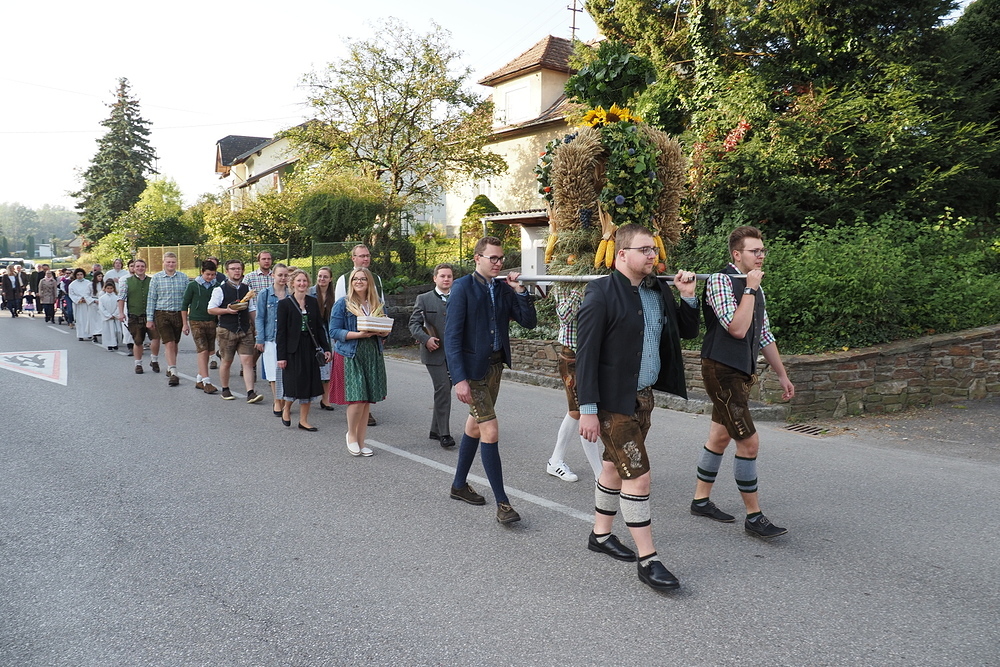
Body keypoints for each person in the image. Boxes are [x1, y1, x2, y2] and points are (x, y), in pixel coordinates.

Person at [576, 223, 700, 591]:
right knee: (638, 475)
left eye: (654, 249)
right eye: (644, 249)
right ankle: (649, 560)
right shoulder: (600, 293)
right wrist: (587, 409)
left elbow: (685, 332)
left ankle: (600, 536)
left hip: (644, 397)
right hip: (613, 402)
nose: (652, 255)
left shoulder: (657, 290)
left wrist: (688, 296)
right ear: (622, 254)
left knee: (613, 466)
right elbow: (586, 355)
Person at [691, 225, 795, 539]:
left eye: (763, 250)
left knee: (719, 436)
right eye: (754, 251)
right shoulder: (720, 280)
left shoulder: (755, 286)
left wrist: (782, 374)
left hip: (742, 371)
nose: (761, 255)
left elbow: (763, 334)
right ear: (737, 254)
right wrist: (749, 289)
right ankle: (754, 517)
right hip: (721, 369)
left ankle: (700, 500)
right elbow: (736, 329)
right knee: (749, 443)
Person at [444, 236, 537, 524]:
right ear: (477, 258)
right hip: (473, 372)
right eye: (492, 258)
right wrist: (459, 379)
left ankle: (459, 485)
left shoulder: (503, 288)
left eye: (501, 258)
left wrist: (520, 291)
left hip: (495, 367)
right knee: (490, 430)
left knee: (475, 425)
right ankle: (503, 503)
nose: (498, 263)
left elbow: (529, 322)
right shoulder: (462, 287)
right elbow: (452, 337)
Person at [544, 283, 605, 483]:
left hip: (593, 354)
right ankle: (599, 474)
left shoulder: (599, 284)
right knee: (582, 410)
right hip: (572, 356)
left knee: (581, 411)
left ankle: (555, 461)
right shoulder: (564, 284)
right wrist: (579, 289)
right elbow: (564, 315)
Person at [329, 267, 388, 453]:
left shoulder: (377, 303)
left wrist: (383, 332)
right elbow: (334, 331)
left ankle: (362, 442)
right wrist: (359, 334)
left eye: (363, 279)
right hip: (350, 354)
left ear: (369, 282)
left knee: (366, 400)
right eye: (355, 279)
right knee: (357, 398)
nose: (359, 282)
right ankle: (351, 435)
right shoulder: (343, 303)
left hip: (372, 354)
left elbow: (384, 329)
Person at [335, 244, 385, 427]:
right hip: (353, 343)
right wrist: (357, 333)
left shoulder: (376, 279)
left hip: (372, 342)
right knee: (356, 386)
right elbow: (340, 310)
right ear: (353, 258)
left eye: (367, 256)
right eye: (361, 256)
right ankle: (354, 426)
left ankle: (365, 413)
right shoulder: (343, 279)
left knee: (368, 384)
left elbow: (381, 307)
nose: (365, 259)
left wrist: (381, 331)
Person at [408, 263, 456, 448]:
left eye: (449, 276)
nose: (446, 279)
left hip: (455, 354)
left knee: (444, 391)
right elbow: (413, 325)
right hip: (434, 353)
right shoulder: (424, 299)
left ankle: (435, 430)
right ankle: (445, 434)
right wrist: (425, 339)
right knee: (443, 388)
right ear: (435, 278)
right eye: (442, 276)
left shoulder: (459, 297)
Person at [277, 269, 331, 430]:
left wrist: (326, 348)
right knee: (294, 383)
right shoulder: (284, 304)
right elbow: (281, 333)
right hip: (293, 349)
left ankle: (303, 420)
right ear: (292, 283)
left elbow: (319, 328)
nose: (302, 284)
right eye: (299, 281)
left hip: (310, 347)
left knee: (309, 384)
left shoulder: (313, 302)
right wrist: (281, 357)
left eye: (305, 281)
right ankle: (286, 408)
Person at [207, 259, 263, 404]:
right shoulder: (220, 289)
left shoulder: (247, 288)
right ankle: (225, 389)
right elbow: (211, 309)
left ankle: (250, 392)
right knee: (227, 361)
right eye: (233, 269)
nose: (236, 271)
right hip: (227, 330)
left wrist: (257, 328)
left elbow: (251, 309)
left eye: (239, 268)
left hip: (245, 329)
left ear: (242, 271)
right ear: (227, 271)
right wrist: (227, 310)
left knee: (247, 361)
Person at [146, 252, 188, 386]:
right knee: (169, 342)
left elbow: (187, 299)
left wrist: (186, 320)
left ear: (176, 263)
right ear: (163, 263)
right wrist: (149, 319)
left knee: (175, 343)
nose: (171, 264)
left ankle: (170, 366)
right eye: (168, 262)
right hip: (162, 313)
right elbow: (151, 299)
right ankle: (174, 372)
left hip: (178, 313)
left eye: (173, 262)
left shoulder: (183, 277)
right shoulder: (156, 278)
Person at [256, 263, 291, 417]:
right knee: (272, 371)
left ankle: (285, 399)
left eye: (285, 275)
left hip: (288, 338)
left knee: (286, 370)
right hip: (270, 337)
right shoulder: (265, 294)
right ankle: (277, 400)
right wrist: (260, 339)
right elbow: (260, 317)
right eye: (280, 275)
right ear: (273, 275)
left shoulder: (291, 294)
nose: (283, 278)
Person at [181, 260, 220, 394]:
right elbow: (184, 304)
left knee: (209, 350)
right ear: (202, 272)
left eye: (213, 275)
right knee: (202, 350)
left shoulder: (217, 286)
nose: (210, 277)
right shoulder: (193, 286)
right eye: (207, 274)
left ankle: (199, 379)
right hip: (196, 321)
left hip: (211, 321)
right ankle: (207, 382)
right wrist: (185, 324)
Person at [118, 258, 161, 374]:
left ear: (145, 268)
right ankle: (138, 364)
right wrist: (121, 313)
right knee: (138, 341)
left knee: (156, 338)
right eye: (137, 266)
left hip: (151, 315)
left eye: (142, 266)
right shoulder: (127, 281)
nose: (140, 268)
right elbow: (121, 298)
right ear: (133, 268)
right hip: (135, 315)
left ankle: (154, 360)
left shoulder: (152, 281)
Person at [308, 266, 337, 411]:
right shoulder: (310, 293)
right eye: (320, 276)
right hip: (313, 333)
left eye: (325, 276)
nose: (322, 279)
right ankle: (307, 396)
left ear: (330, 279)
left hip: (329, 334)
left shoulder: (334, 296)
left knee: (327, 367)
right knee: (311, 367)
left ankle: (325, 399)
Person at [68, 269, 95, 340]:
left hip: (87, 303)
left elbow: (91, 292)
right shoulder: (72, 284)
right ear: (75, 275)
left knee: (88, 318)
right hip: (79, 304)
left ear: (83, 275)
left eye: (81, 274)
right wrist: (79, 299)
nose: (79, 276)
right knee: (79, 320)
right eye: (78, 275)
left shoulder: (88, 283)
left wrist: (87, 299)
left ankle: (89, 334)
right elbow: (71, 294)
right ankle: (80, 335)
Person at [97, 279, 123, 350]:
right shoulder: (102, 298)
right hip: (107, 318)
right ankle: (109, 344)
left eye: (111, 288)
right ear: (105, 289)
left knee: (117, 331)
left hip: (115, 317)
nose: (109, 290)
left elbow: (118, 306)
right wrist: (108, 315)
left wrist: (114, 314)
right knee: (108, 331)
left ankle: (115, 343)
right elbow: (101, 308)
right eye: (108, 288)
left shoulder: (116, 297)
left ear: (113, 289)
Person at [87, 271, 105, 343]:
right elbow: (86, 295)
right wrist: (93, 300)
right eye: (99, 276)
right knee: (93, 319)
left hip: (101, 303)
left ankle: (101, 332)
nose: (100, 278)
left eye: (101, 276)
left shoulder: (103, 284)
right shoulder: (90, 285)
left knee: (101, 318)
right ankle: (94, 334)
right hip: (93, 303)